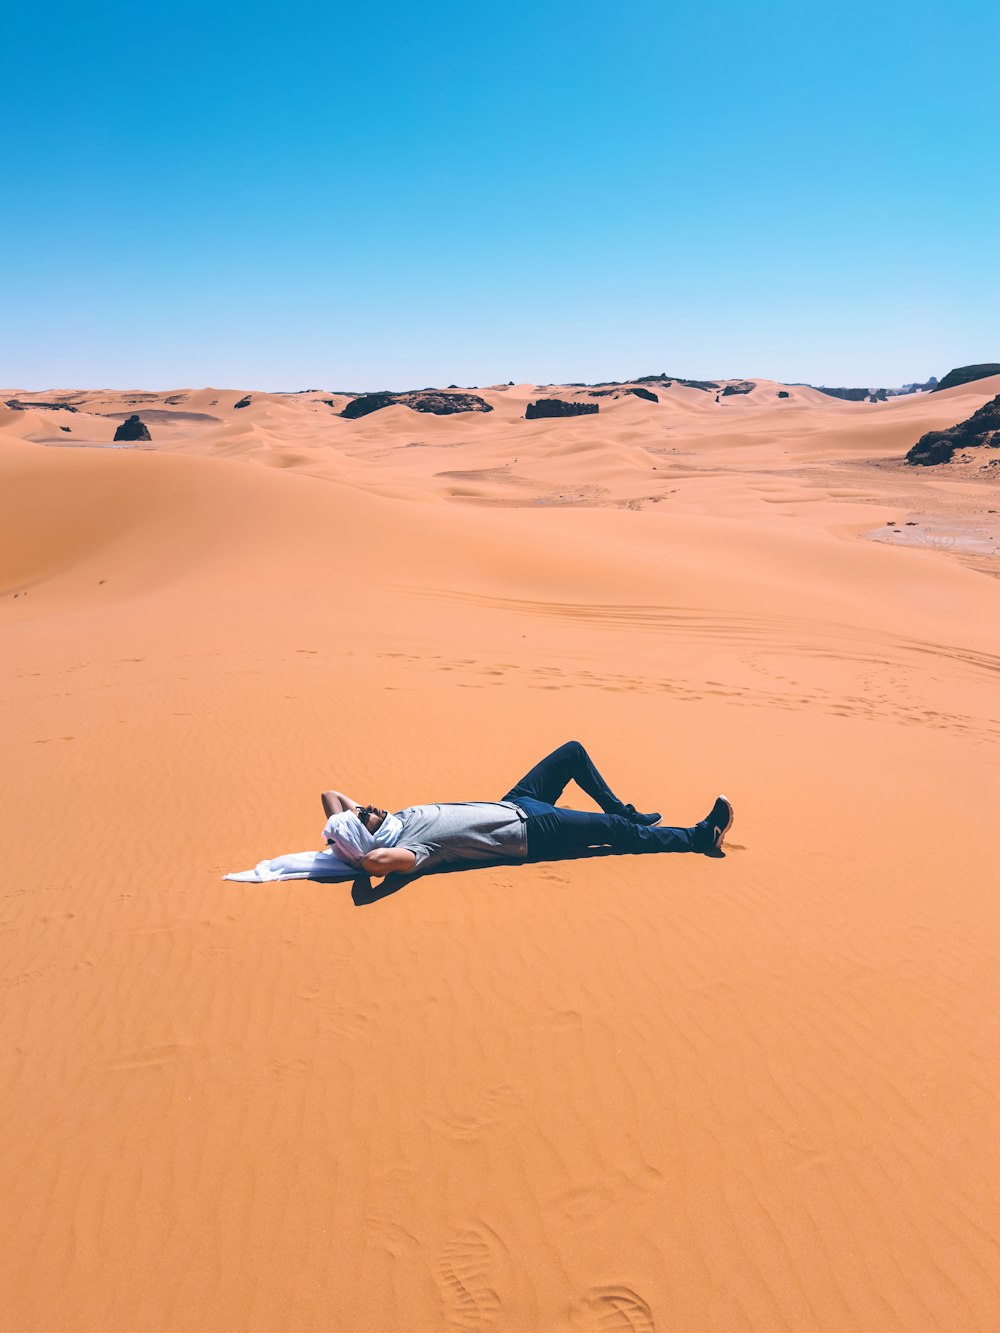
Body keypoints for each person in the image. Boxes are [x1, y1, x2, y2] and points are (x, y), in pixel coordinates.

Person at [319, 740, 733, 879]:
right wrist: (353, 858)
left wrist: (344, 827)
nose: (366, 806)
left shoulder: (393, 821)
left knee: (572, 753)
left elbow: (331, 795)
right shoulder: (412, 849)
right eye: (364, 814)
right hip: (533, 832)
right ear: (366, 835)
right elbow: (373, 860)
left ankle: (628, 811)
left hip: (514, 802)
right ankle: (700, 837)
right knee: (613, 832)